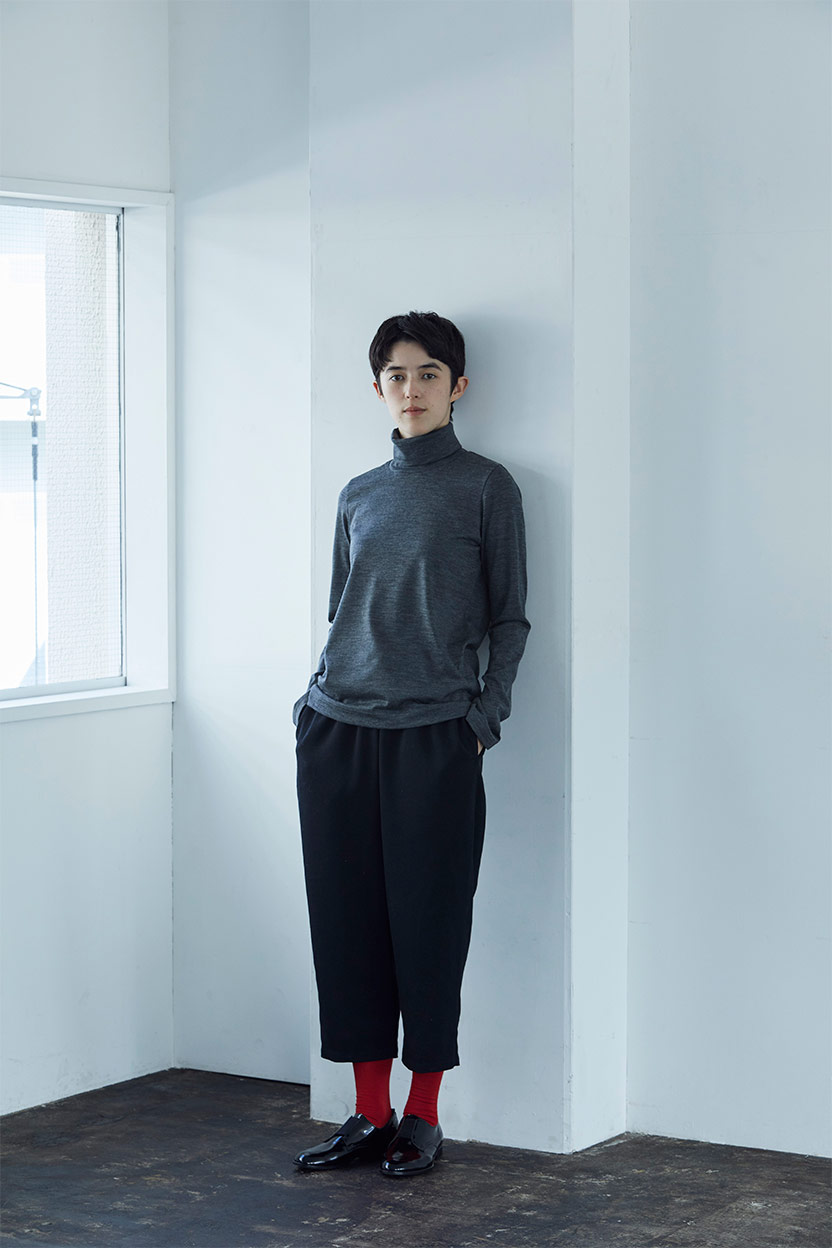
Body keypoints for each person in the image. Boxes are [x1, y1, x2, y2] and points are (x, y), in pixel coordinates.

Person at [291, 311, 530, 1178]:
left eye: (429, 373)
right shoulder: (358, 493)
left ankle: (423, 1115)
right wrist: (309, 708)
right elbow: (341, 611)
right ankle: (368, 1111)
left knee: (429, 923)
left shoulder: (487, 487)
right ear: (378, 388)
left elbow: (509, 619)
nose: (412, 388)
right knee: (345, 925)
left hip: (435, 736)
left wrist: (483, 717)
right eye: (396, 374)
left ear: (457, 386)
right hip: (336, 731)